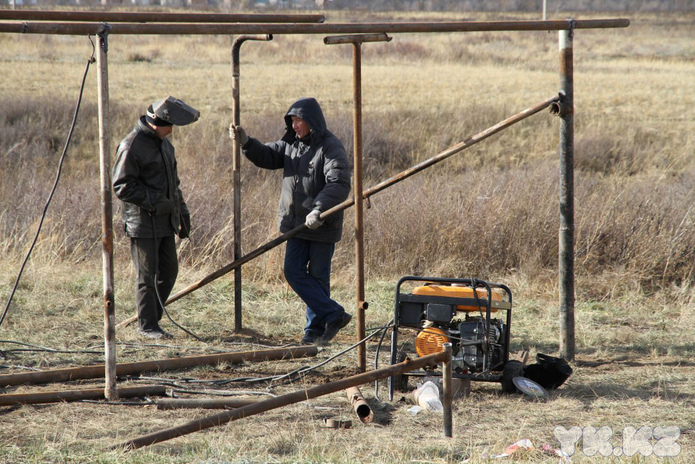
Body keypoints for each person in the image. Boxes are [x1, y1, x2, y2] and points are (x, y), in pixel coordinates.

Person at [231, 97, 352, 345]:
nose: (295, 126)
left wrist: (319, 209)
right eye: (292, 121)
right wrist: (246, 142)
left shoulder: (331, 147)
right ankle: (334, 314)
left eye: (299, 120)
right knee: (293, 272)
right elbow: (266, 155)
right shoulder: (291, 145)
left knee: (318, 278)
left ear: (312, 122)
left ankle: (314, 330)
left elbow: (339, 183)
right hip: (296, 225)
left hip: (322, 224)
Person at [113, 96, 200, 339]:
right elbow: (121, 185)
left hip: (165, 221)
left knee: (169, 271)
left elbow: (174, 184)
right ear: (155, 123)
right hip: (142, 223)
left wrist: (181, 212)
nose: (171, 131)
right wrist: (155, 201)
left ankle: (153, 320)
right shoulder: (131, 145)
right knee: (147, 275)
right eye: (168, 126)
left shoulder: (164, 144)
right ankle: (148, 327)